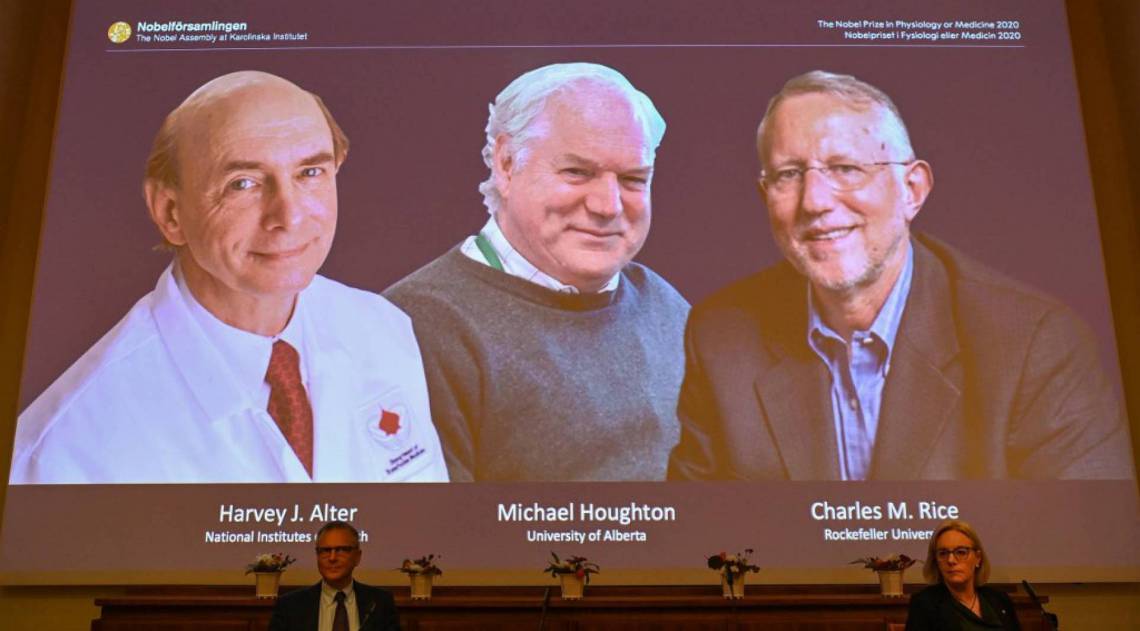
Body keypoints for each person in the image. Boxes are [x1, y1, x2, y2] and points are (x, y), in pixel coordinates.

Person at [667, 70, 1133, 480]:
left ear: (913, 189)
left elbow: (1088, 545)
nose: (814, 202)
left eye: (845, 168)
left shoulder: (1033, 344)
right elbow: (702, 539)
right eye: (789, 174)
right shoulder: (722, 337)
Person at [9, 71, 447, 483]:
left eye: (310, 173)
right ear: (170, 213)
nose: (289, 216)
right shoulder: (65, 449)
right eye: (243, 183)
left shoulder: (383, 329)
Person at [385, 62, 689, 481]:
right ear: (506, 164)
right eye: (577, 172)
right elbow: (433, 536)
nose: (608, 205)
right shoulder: (413, 326)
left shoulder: (666, 307)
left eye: (634, 179)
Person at [269, 520, 400, 631]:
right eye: (325, 551)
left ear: (357, 557)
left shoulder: (381, 603)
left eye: (341, 550)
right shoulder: (290, 605)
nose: (332, 558)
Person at [905, 519, 1021, 630]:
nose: (951, 560)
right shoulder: (925, 604)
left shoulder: (999, 599)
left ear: (978, 558)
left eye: (961, 552)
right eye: (943, 553)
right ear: (936, 561)